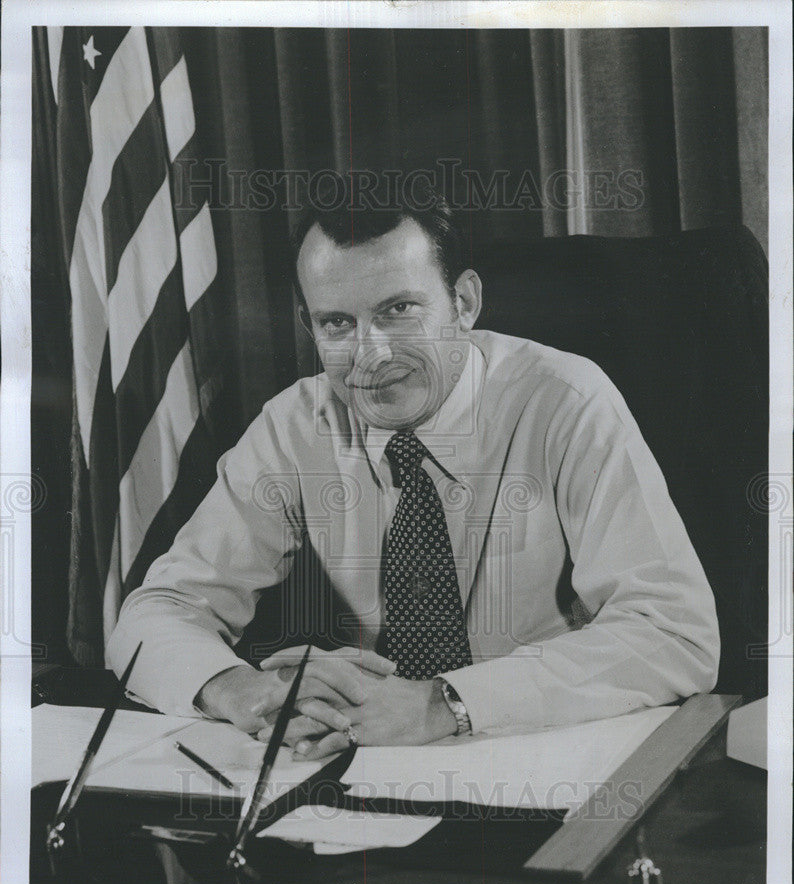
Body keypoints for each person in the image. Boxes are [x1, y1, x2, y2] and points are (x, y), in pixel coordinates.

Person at [106, 192, 719, 760]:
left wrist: (445, 702)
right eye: (337, 323)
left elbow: (672, 633)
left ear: (465, 303)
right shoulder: (295, 426)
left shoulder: (565, 401)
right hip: (368, 761)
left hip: (545, 750)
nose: (371, 354)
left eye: (398, 310)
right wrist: (238, 689)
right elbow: (159, 610)